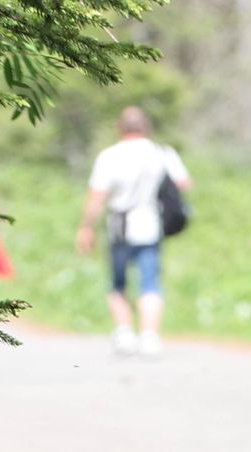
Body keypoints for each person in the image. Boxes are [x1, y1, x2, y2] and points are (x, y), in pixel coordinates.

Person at [77, 108, 193, 356]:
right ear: (146, 127)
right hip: (151, 223)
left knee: (118, 281)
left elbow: (97, 195)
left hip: (120, 224)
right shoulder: (161, 153)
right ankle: (150, 335)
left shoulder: (110, 156)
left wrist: (87, 227)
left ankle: (125, 332)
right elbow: (184, 183)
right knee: (150, 280)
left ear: (119, 127)